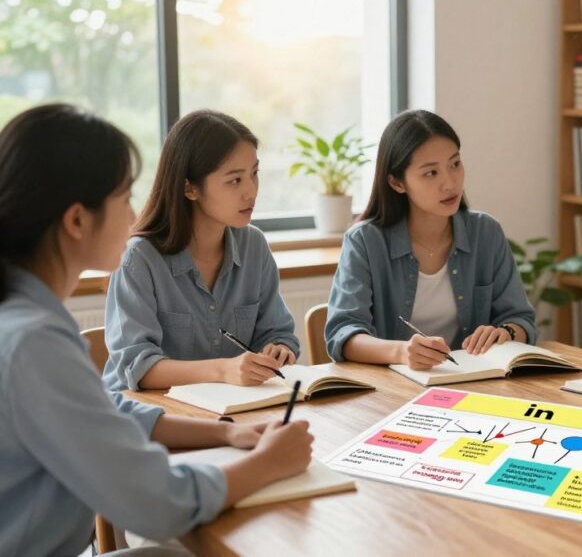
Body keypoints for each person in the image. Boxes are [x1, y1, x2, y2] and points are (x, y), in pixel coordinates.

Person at [0, 104, 313, 555]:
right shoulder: (33, 342)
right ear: (76, 220)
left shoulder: (28, 321)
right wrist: (267, 464)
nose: (133, 216)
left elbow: (107, 413)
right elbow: (158, 503)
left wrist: (226, 433)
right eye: (124, 197)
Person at [103, 109, 300, 391]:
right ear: (190, 188)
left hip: (230, 412)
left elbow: (278, 332)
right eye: (235, 180)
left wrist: (279, 349)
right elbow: (138, 367)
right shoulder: (139, 258)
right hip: (148, 418)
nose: (251, 192)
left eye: (254, 174)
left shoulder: (254, 246)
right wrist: (224, 370)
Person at [325, 109, 536, 369]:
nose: (450, 183)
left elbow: (520, 319)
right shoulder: (365, 241)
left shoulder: (486, 232)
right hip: (392, 387)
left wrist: (507, 332)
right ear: (397, 182)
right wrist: (402, 353)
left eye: (454, 164)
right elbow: (343, 334)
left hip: (473, 381)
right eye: (431, 173)